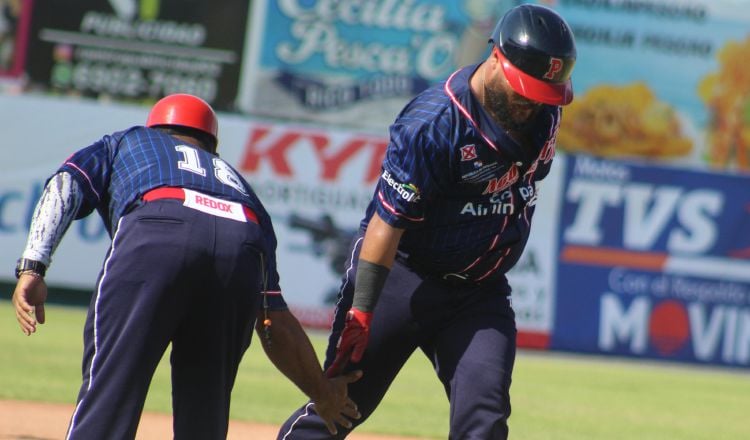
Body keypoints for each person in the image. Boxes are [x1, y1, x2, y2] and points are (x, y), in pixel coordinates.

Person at [278, 4, 576, 439]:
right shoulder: (434, 124)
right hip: (406, 277)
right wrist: (362, 313)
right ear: (496, 59)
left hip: (479, 290)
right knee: (341, 406)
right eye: (525, 89)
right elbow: (386, 225)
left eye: (544, 94)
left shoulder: (545, 113)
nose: (533, 103)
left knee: (485, 418)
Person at [11, 93, 361, 439]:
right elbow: (274, 321)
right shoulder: (240, 186)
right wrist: (323, 393)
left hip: (157, 230)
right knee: (204, 414)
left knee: (111, 391)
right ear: (212, 146)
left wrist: (33, 267)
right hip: (241, 241)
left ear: (156, 128)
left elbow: (65, 182)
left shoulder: (129, 140)